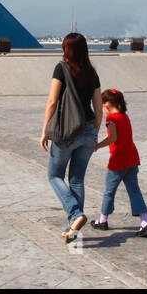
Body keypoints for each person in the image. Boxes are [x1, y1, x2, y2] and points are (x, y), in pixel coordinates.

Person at [40, 32, 102, 241]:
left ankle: (75, 214)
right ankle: (72, 228)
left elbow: (52, 101)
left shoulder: (61, 68)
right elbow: (99, 109)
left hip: (66, 132)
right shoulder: (92, 73)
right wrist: (95, 134)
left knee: (54, 175)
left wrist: (45, 131)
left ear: (67, 49)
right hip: (87, 131)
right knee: (77, 180)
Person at [90, 88, 147, 236]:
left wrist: (96, 146)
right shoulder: (124, 116)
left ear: (106, 105)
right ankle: (145, 222)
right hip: (132, 159)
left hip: (118, 161)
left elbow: (113, 137)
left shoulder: (111, 119)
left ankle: (103, 220)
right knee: (134, 191)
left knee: (109, 192)